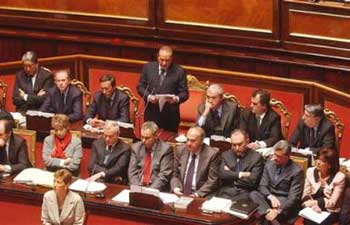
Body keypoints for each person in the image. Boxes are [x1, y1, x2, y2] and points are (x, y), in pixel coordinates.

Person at [250, 140, 304, 225]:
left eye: (279, 156)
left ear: (288, 156)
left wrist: (277, 210)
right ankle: (270, 215)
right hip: (270, 198)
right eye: (274, 154)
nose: (274, 158)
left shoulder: (297, 171)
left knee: (285, 204)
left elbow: (294, 197)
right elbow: (262, 185)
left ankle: (269, 217)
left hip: (284, 201)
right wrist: (271, 197)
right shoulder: (269, 163)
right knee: (253, 194)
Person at [137, 46, 189, 132]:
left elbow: (184, 93)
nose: (164, 63)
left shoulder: (180, 71)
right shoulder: (148, 67)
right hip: (151, 114)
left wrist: (176, 99)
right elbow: (140, 86)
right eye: (161, 60)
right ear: (158, 57)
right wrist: (149, 96)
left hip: (170, 116)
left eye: (167, 60)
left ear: (172, 59)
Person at [171, 126, 220, 197]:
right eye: (187, 140)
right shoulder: (180, 150)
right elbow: (174, 174)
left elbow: (212, 181)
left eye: (193, 141)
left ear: (201, 141)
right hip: (180, 191)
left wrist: (197, 194)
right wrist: (175, 188)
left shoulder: (212, 154)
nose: (188, 144)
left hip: (200, 193)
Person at [216, 129, 264, 200]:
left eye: (240, 144)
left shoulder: (256, 158)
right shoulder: (226, 155)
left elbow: (252, 182)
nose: (237, 148)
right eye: (234, 145)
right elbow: (222, 174)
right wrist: (241, 174)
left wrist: (230, 175)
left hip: (245, 194)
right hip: (225, 192)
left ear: (247, 141)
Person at [301, 148, 345, 225]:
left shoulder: (339, 177)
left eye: (322, 161)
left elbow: (332, 202)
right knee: (308, 220)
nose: (318, 162)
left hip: (330, 210)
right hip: (311, 206)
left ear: (330, 165)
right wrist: (310, 204)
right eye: (318, 159)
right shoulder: (310, 171)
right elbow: (306, 192)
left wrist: (316, 203)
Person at [128, 121, 173, 191]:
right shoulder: (136, 147)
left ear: (156, 136)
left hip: (156, 188)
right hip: (138, 186)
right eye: (142, 137)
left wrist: (149, 191)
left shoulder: (165, 150)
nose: (143, 141)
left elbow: (164, 175)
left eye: (147, 138)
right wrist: (138, 189)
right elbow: (132, 172)